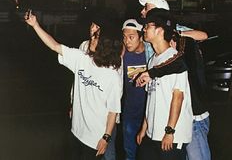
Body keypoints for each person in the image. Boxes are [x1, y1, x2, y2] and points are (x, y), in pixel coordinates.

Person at [25, 10, 123, 160]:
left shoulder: (112, 75)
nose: (91, 39)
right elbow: (55, 46)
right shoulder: (81, 58)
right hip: (76, 131)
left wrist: (106, 137)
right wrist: (35, 25)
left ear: (104, 45)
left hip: (95, 138)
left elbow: (113, 111)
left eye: (95, 38)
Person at [136, 7, 211, 160]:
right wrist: (145, 127)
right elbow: (152, 98)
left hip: (193, 119)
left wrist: (170, 131)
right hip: (157, 131)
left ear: (161, 29)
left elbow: (178, 90)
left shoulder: (183, 48)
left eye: (148, 24)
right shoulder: (153, 60)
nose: (143, 28)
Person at [79, 11, 122, 160]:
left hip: (106, 114)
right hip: (87, 113)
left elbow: (117, 85)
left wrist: (114, 113)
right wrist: (73, 102)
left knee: (107, 152)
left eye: (97, 26)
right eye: (92, 25)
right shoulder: (84, 46)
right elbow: (79, 77)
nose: (92, 29)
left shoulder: (112, 51)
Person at [122, 19, 147, 160]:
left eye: (131, 37)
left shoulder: (150, 54)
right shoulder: (123, 55)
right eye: (124, 37)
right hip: (130, 112)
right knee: (130, 153)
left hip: (149, 113)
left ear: (141, 36)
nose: (127, 41)